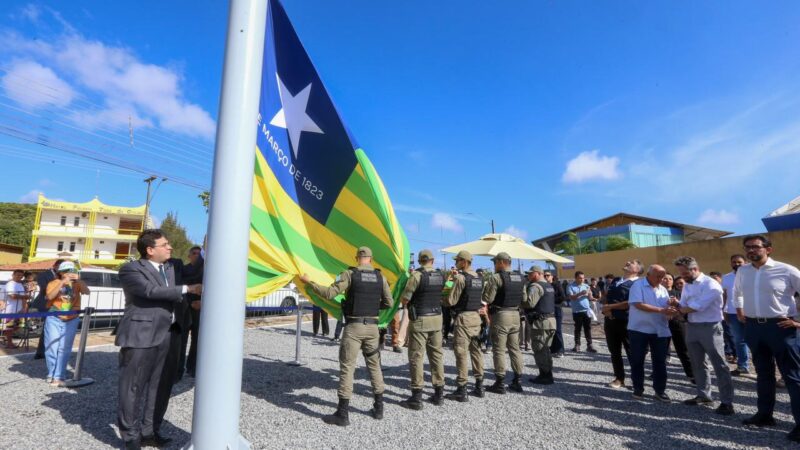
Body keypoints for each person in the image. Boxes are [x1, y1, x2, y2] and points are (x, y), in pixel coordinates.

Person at [115, 229, 202, 449]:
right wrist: (189, 289)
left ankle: (150, 431)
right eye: (165, 245)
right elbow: (150, 291)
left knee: (161, 386)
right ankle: (131, 437)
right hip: (141, 335)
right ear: (150, 250)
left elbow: (198, 269)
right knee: (133, 387)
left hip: (170, 334)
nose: (170, 247)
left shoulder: (173, 267)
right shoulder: (131, 270)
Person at [300, 246, 392, 427]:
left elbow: (329, 293)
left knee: (347, 368)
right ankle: (379, 408)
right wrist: (373, 308)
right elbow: (388, 303)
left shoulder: (349, 275)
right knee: (374, 366)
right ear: (371, 259)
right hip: (373, 328)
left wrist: (309, 282)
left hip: (354, 327)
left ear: (357, 257)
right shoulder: (381, 277)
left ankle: (343, 414)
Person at [733, 235, 800, 442]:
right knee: (763, 374)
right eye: (747, 248)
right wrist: (740, 310)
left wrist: (799, 322)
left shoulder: (786, 270)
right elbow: (737, 292)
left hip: (780, 327)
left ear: (768, 249)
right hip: (754, 327)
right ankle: (764, 415)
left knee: (793, 377)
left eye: (755, 247)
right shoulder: (743, 271)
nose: (750, 251)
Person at [673, 256, 734, 415]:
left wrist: (680, 309)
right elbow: (685, 304)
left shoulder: (712, 285)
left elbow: (696, 306)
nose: (682, 276)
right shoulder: (687, 285)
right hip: (692, 327)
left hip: (710, 328)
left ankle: (727, 402)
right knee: (697, 363)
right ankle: (703, 395)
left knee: (720, 365)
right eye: (680, 273)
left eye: (684, 273)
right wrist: (676, 304)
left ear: (694, 269)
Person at [398, 249, 445, 410]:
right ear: (432, 260)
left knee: (416, 357)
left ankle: (417, 396)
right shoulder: (440, 275)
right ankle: (439, 393)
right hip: (437, 320)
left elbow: (405, 299)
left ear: (419, 261)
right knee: (436, 356)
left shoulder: (417, 276)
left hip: (420, 320)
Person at [443, 250, 485, 401]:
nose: (456, 262)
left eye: (458, 260)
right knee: (476, 351)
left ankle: (462, 389)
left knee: (461, 353)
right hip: (476, 318)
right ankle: (480, 386)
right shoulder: (479, 277)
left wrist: (448, 283)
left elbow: (450, 300)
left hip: (463, 319)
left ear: (464, 262)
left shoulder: (460, 278)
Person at [627, 265, 673, 402]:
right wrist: (661, 310)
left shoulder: (663, 289)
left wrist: (671, 305)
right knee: (637, 360)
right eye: (658, 276)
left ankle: (660, 391)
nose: (661, 279)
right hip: (639, 329)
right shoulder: (638, 285)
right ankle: (638, 389)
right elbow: (638, 304)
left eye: (662, 276)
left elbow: (664, 306)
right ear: (648, 274)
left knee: (660, 361)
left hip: (659, 330)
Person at [482, 252, 526, 394]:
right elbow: (524, 298)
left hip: (501, 315)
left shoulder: (496, 277)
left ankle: (500, 383)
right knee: (515, 348)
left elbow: (488, 298)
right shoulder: (520, 277)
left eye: (495, 262)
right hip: (515, 315)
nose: (494, 265)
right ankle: (517, 381)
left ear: (501, 262)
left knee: (499, 349)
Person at [44, 261, 89, 386]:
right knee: (51, 347)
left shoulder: (77, 284)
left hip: (72, 318)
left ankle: (59, 376)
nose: (70, 273)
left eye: (72, 270)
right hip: (54, 317)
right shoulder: (53, 283)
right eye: (67, 271)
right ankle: (51, 373)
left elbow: (87, 291)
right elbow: (49, 296)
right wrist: (62, 283)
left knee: (64, 348)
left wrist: (79, 280)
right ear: (61, 273)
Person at [601, 260, 641, 388]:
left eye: (632, 262)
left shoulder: (638, 283)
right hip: (610, 320)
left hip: (626, 321)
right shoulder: (616, 280)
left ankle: (637, 380)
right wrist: (606, 311)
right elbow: (608, 296)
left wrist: (609, 307)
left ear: (637, 269)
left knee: (631, 351)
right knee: (614, 351)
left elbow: (630, 302)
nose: (628, 262)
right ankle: (619, 378)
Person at [524, 265, 557, 385]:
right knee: (546, 349)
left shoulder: (536, 286)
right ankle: (547, 373)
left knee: (539, 349)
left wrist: (521, 298)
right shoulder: (549, 286)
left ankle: (545, 375)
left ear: (537, 273)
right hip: (550, 321)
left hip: (540, 323)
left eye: (530, 273)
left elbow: (529, 303)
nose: (528, 276)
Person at [662, 274, 694, 383]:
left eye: (670, 279)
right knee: (661, 350)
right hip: (661, 323)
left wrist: (676, 310)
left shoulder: (680, 294)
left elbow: (685, 308)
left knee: (683, 350)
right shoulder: (657, 293)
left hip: (678, 324)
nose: (667, 281)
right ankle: (658, 373)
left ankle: (691, 375)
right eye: (665, 278)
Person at [721, 254, 750, 377]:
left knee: (757, 341)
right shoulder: (726, 278)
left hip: (752, 314)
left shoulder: (752, 275)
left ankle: (763, 367)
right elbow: (725, 296)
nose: (737, 264)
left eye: (739, 262)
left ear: (745, 262)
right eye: (734, 262)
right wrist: (724, 311)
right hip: (733, 314)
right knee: (739, 341)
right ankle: (743, 366)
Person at [32, 259, 65, 359]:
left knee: (56, 329)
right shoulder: (43, 275)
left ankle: (53, 351)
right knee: (47, 329)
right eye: (60, 267)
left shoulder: (65, 276)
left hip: (60, 305)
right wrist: (58, 285)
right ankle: (41, 352)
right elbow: (44, 289)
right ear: (55, 266)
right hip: (45, 304)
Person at [183, 246, 204, 378]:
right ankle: (178, 369)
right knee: (181, 339)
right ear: (189, 255)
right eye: (194, 253)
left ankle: (193, 368)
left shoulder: (206, 271)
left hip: (199, 309)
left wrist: (203, 302)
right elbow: (179, 288)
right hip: (185, 308)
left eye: (199, 253)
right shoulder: (184, 270)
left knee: (197, 340)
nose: (197, 255)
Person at [567, 271, 597, 352]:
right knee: (578, 329)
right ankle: (577, 345)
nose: (582, 279)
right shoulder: (570, 286)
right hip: (577, 311)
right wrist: (580, 293)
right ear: (576, 278)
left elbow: (590, 297)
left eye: (583, 278)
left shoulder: (586, 286)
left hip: (586, 310)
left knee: (588, 328)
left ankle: (589, 345)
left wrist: (592, 298)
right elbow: (572, 297)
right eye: (580, 278)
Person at [3, 269, 31, 349]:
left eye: (21, 276)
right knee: (9, 327)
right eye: (18, 275)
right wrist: (25, 296)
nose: (20, 277)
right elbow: (12, 296)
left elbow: (22, 297)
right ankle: (9, 343)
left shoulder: (20, 284)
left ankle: (7, 339)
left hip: (18, 309)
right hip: (10, 309)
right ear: (13, 275)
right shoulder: (10, 284)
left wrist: (24, 307)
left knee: (17, 326)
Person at [548, 273, 566, 358]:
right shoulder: (545, 285)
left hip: (557, 309)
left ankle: (560, 350)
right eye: (545, 275)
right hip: (548, 311)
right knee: (551, 331)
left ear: (552, 276)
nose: (546, 277)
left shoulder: (557, 285)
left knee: (558, 330)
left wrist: (551, 300)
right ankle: (553, 349)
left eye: (548, 275)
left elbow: (562, 297)